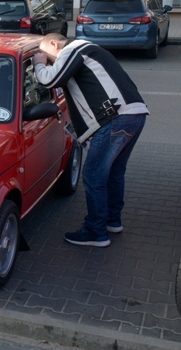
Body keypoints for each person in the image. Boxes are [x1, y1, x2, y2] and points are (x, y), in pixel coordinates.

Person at [33, 34, 149, 248]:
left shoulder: (75, 48)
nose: (48, 61)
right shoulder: (90, 50)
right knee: (114, 172)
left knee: (93, 175)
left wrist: (38, 65)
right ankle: (112, 222)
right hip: (134, 115)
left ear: (52, 44)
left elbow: (50, 79)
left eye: (47, 55)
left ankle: (96, 232)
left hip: (115, 119)